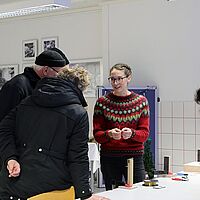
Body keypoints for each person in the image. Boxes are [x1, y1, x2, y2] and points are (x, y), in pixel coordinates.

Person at [0, 65, 109, 200]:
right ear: (80, 89)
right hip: (51, 188)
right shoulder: (77, 112)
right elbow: (78, 156)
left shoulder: (28, 101)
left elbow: (4, 129)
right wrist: (85, 194)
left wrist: (10, 157)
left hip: (13, 184)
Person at [93, 63, 150, 190]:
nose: (115, 82)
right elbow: (97, 135)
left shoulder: (141, 102)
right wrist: (109, 134)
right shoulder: (102, 103)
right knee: (112, 193)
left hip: (134, 156)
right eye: (112, 79)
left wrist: (132, 133)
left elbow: (144, 134)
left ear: (128, 78)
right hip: (110, 157)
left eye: (119, 78)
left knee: (139, 192)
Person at [0, 48, 69, 122]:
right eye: (59, 73)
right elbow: (3, 122)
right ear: (45, 70)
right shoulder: (16, 86)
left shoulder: (42, 86)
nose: (60, 78)